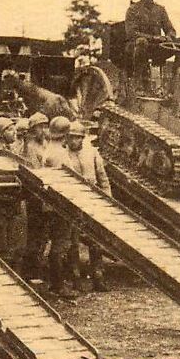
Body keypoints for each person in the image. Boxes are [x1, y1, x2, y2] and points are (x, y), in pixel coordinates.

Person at [64, 121, 112, 292]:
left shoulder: (92, 153)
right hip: (72, 203)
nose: (73, 141)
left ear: (83, 138)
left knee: (96, 241)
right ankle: (75, 278)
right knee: (73, 242)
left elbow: (102, 177)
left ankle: (98, 276)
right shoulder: (63, 154)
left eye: (77, 138)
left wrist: (107, 200)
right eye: (71, 138)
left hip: (92, 202)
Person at [125, 0, 180, 91]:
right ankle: (138, 82)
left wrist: (169, 36)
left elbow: (170, 29)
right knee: (141, 42)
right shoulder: (133, 10)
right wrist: (153, 38)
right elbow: (131, 33)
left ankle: (175, 81)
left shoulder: (160, 10)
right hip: (137, 48)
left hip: (157, 48)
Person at [43, 116, 75, 296]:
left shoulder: (50, 149)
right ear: (66, 135)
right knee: (59, 244)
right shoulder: (60, 154)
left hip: (51, 204)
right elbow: (64, 182)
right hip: (60, 205)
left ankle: (55, 283)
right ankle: (58, 285)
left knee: (56, 243)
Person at [16, 112, 50, 280]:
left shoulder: (43, 144)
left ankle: (36, 267)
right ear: (33, 129)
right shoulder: (29, 147)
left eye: (45, 126)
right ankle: (31, 271)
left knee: (42, 233)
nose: (44, 130)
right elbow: (36, 172)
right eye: (41, 127)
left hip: (43, 194)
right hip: (34, 195)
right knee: (35, 233)